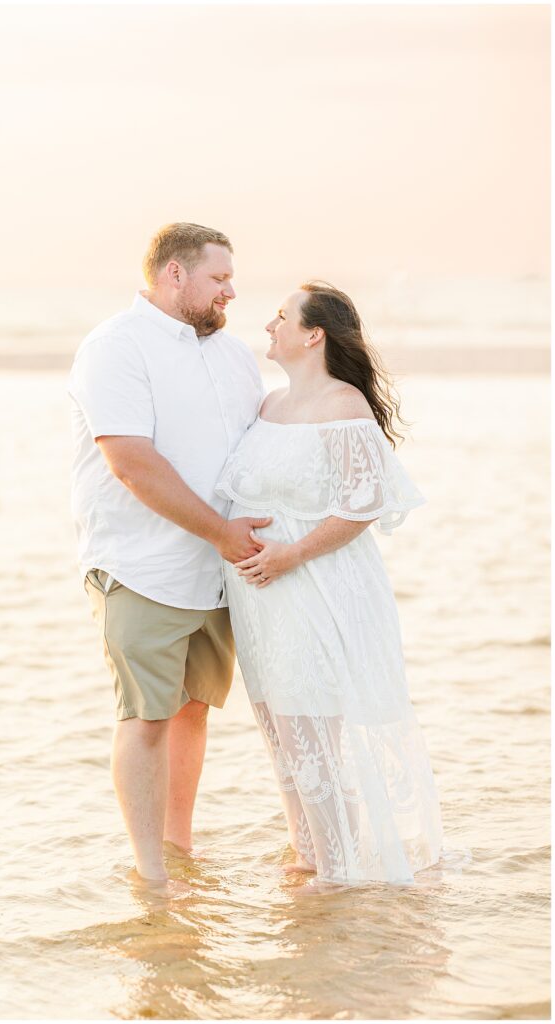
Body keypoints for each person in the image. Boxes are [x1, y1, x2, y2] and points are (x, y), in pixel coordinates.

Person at [216, 281, 443, 884]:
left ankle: (338, 883)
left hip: (315, 589)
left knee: (310, 733)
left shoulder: (344, 407)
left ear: (313, 334)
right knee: (282, 739)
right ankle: (309, 858)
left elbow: (363, 506)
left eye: (282, 317)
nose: (269, 326)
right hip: (262, 604)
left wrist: (291, 554)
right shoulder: (268, 406)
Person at [68, 223, 268, 887]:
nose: (230, 292)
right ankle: (150, 875)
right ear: (173, 276)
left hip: (217, 574)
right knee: (147, 716)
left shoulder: (234, 356)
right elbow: (131, 463)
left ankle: (179, 852)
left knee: (191, 712)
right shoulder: (114, 348)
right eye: (218, 279)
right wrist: (220, 531)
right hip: (141, 564)